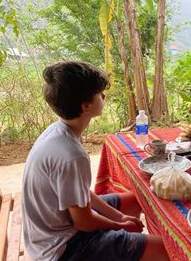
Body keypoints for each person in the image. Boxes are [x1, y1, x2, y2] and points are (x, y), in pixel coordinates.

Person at [21, 61, 169, 261]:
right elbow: (83, 222)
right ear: (86, 106)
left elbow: (79, 194)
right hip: (61, 249)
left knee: (137, 199)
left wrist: (119, 217)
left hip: (53, 232)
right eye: (100, 94)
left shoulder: (59, 132)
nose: (104, 97)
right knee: (165, 250)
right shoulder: (71, 154)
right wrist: (120, 225)